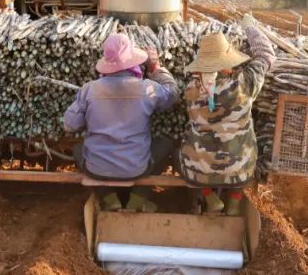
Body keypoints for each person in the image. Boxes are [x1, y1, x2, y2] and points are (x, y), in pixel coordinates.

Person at [63, 33, 179, 211]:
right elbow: (172, 94)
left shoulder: (89, 89)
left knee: (79, 150)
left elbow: (70, 125)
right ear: (133, 61)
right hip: (137, 167)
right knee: (166, 144)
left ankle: (109, 199)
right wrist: (155, 67)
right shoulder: (147, 88)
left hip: (97, 168)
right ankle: (137, 198)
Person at [179, 14, 274, 215]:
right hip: (238, 169)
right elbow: (265, 54)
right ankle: (234, 202)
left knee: (181, 149)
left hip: (200, 171)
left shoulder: (191, 89)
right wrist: (251, 27)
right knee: (243, 147)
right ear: (227, 61)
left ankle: (208, 196)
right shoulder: (243, 83)